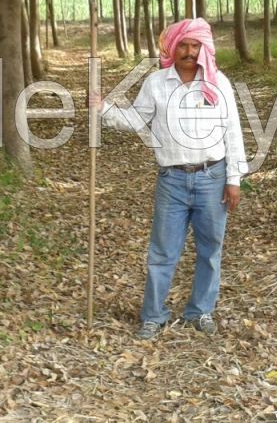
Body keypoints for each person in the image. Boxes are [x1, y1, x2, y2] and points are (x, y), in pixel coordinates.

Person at [89, 18, 247, 339]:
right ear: (172, 48)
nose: (189, 52)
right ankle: (153, 315)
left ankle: (200, 311)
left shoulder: (219, 84)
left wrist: (234, 178)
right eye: (183, 46)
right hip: (172, 180)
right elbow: (135, 119)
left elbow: (233, 132)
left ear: (204, 49)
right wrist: (103, 108)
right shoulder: (156, 83)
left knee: (210, 249)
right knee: (162, 251)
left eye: (195, 46)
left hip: (212, 178)